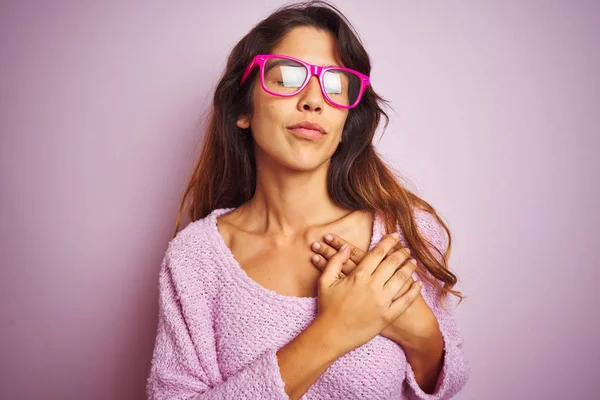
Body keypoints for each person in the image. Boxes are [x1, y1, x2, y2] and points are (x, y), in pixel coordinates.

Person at [146, 1, 469, 399]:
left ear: (345, 121)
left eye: (335, 86)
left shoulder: (405, 232)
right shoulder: (195, 258)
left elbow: (446, 381)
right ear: (242, 109)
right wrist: (335, 331)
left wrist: (421, 333)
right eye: (286, 78)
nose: (314, 101)